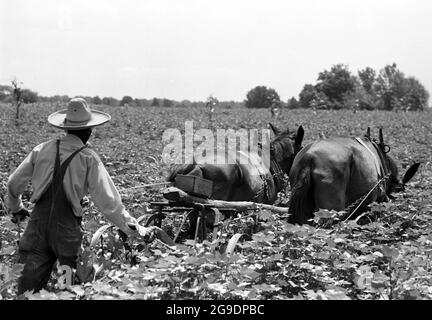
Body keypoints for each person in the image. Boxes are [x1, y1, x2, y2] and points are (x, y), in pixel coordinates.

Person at [6, 97, 151, 295]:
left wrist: (16, 207)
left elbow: (14, 184)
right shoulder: (88, 157)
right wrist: (133, 227)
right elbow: (108, 203)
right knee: (67, 286)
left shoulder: (42, 149)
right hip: (65, 236)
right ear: (89, 130)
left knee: (25, 289)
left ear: (65, 127)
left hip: (36, 231)